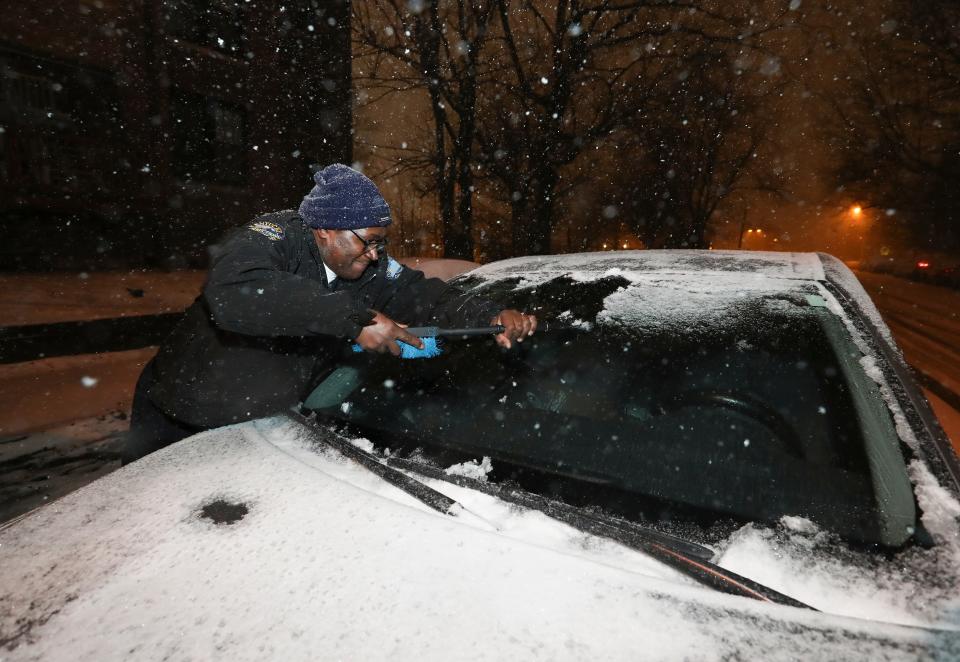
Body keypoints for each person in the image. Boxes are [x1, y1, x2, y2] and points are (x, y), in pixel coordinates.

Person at [123, 164, 536, 463]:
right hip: (180, 415)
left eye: (381, 243)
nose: (375, 255)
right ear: (326, 229)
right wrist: (355, 320)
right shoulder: (276, 236)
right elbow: (235, 292)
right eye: (368, 241)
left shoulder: (369, 265)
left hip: (269, 428)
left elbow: (422, 294)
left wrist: (490, 312)